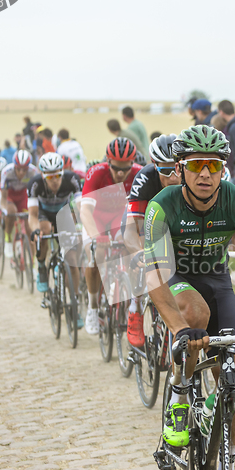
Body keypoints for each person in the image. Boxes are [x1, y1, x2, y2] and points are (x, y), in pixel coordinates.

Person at [143, 125, 235, 448]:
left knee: (232, 376)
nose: (205, 173)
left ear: (223, 170)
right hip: (175, 276)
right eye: (195, 165)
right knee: (195, 313)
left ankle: (227, 465)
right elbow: (154, 276)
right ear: (179, 169)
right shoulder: (162, 206)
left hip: (216, 278)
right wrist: (178, 329)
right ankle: (179, 392)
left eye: (214, 165)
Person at [80, 138, 143, 335]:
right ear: (108, 162)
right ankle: (92, 307)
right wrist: (94, 236)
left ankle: (128, 296)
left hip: (118, 217)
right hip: (96, 217)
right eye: (116, 168)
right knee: (96, 255)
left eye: (126, 168)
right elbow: (85, 211)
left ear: (132, 163)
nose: (121, 173)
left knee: (130, 246)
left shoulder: (138, 174)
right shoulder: (96, 173)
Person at [123, 134, 181, 346]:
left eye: (177, 169)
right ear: (154, 166)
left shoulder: (189, 178)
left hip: (172, 225)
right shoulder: (144, 178)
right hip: (144, 221)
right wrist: (138, 253)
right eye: (166, 171)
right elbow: (131, 230)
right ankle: (134, 307)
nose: (173, 178)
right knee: (137, 257)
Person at [27, 154, 83, 326]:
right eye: (50, 177)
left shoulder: (72, 179)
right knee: (43, 232)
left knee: (72, 259)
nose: (54, 180)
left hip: (63, 214)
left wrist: (82, 226)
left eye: (57, 175)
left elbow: (80, 208)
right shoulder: (35, 184)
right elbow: (33, 215)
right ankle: (42, 267)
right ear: (43, 176)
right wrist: (35, 230)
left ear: (62, 172)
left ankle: (75, 304)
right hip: (44, 214)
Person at [0, 150, 39, 258]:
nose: (21, 172)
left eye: (24, 169)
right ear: (14, 166)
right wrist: (4, 209)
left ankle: (33, 259)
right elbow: (3, 197)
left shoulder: (33, 172)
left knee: (29, 225)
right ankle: (7, 239)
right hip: (9, 195)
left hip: (22, 195)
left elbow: (36, 193)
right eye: (19, 169)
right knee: (11, 212)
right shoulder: (6, 172)